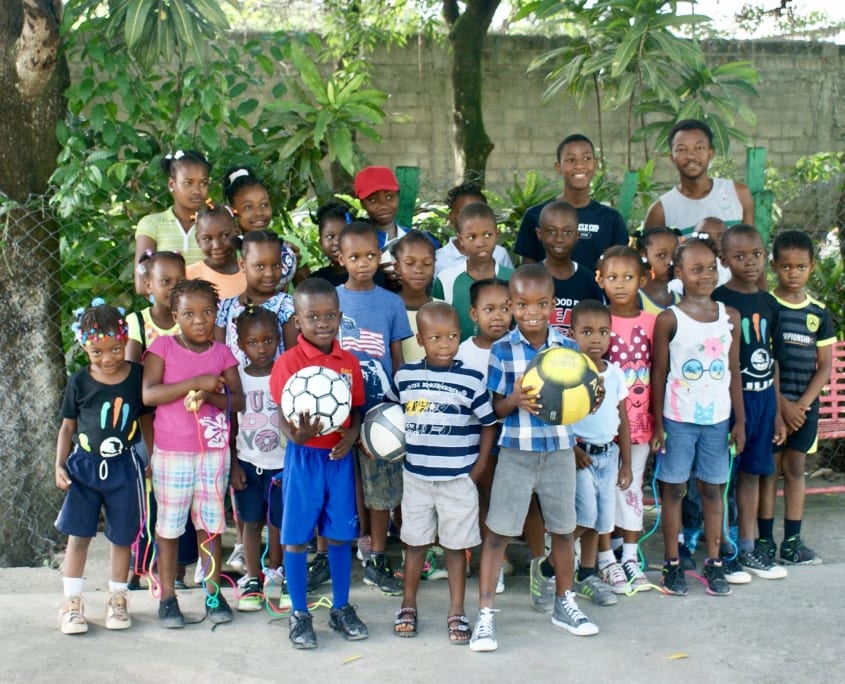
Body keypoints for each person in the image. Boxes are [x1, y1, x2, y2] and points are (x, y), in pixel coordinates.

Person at [470, 265, 599, 653]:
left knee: (563, 530)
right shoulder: (501, 349)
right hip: (516, 453)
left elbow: (579, 403)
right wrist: (514, 400)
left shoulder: (568, 349)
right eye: (522, 304)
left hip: (559, 452)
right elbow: (494, 409)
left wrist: (593, 400)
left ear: (553, 305)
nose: (532, 312)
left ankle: (564, 603)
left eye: (541, 304)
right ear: (511, 305)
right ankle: (485, 615)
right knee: (498, 533)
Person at [388, 302, 498, 643]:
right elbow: (388, 414)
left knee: (455, 547)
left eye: (451, 336)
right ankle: (408, 604)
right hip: (416, 478)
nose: (445, 344)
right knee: (414, 544)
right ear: (420, 339)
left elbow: (489, 424)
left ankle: (457, 611)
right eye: (435, 337)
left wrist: (477, 470)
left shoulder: (471, 379)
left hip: (457, 480)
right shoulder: (405, 376)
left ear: (459, 336)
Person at [269, 277, 368, 649]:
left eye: (329, 316)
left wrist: (352, 435)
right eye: (313, 317)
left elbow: (356, 410)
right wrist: (295, 436)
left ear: (340, 318)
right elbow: (282, 415)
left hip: (338, 459)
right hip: (304, 458)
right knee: (296, 537)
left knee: (340, 533)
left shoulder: (349, 363)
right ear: (298, 321)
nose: (322, 323)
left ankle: (340, 607)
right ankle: (299, 613)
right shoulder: (288, 363)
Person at [142, 278, 245, 628]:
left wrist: (210, 395)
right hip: (172, 453)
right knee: (169, 527)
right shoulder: (162, 347)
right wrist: (195, 383)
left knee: (211, 526)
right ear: (175, 316)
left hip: (213, 454)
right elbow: (149, 394)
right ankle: (168, 597)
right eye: (189, 314)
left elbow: (238, 401)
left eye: (207, 312)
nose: (199, 320)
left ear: (216, 314)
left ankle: (213, 593)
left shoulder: (222, 353)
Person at [651, 237, 744, 597]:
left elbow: (733, 371)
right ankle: (673, 562)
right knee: (674, 489)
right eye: (696, 269)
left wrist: (740, 421)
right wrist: (658, 424)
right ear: (679, 272)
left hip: (717, 421)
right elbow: (659, 373)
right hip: (678, 420)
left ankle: (715, 562)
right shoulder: (669, 319)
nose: (705, 275)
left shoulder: (729, 317)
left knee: (712, 489)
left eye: (710, 268)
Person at [56, 303, 152, 634]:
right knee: (79, 535)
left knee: (122, 536)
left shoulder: (137, 377)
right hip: (83, 468)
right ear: (84, 346)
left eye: (115, 349)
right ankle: (71, 604)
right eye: (97, 352)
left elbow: (146, 420)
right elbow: (67, 427)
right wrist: (59, 465)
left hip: (124, 467)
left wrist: (150, 457)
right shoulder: (79, 381)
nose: (108, 358)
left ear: (125, 340)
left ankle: (118, 598)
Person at [335, 221, 414, 595]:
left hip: (380, 413)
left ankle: (378, 557)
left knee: (380, 487)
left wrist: (400, 405)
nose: (363, 263)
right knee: (343, 483)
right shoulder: (332, 300)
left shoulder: (391, 302)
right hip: (337, 410)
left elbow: (397, 358)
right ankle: (335, 553)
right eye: (355, 257)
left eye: (370, 255)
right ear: (341, 259)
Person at [712, 224, 788, 581]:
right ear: (724, 259)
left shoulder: (769, 303)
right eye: (739, 256)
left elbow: (773, 360)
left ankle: (747, 547)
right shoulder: (717, 302)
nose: (750, 262)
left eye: (756, 254)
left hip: (763, 401)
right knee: (721, 480)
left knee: (752, 474)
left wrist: (777, 413)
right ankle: (723, 551)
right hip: (728, 404)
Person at [759, 230, 834, 565]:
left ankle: (792, 543)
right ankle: (763, 542)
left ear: (812, 267)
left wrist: (801, 406)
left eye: (800, 267)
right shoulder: (767, 307)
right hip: (772, 405)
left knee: (795, 468)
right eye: (786, 266)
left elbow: (825, 366)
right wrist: (783, 406)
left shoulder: (819, 312)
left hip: (804, 408)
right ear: (774, 266)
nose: (793, 273)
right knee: (768, 470)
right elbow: (764, 360)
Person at [125, 250, 199, 590]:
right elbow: (134, 377)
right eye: (164, 281)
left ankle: (179, 569)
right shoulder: (138, 322)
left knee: (181, 496)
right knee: (148, 496)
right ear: (148, 285)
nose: (172, 287)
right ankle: (139, 565)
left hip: (185, 420)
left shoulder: (190, 320)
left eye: (178, 281)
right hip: (147, 420)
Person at [596, 246, 654, 592]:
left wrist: (659, 422)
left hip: (640, 423)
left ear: (642, 280)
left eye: (628, 277)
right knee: (604, 489)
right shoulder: (597, 321)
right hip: (603, 426)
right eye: (613, 277)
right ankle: (606, 559)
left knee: (631, 487)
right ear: (600, 280)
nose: (620, 284)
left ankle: (630, 557)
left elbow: (659, 372)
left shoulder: (653, 323)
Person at [570, 299, 632, 607]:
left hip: (608, 456)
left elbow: (623, 420)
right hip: (580, 456)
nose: (596, 339)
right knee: (587, 515)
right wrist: (572, 449)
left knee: (600, 521)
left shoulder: (616, 374)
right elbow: (558, 418)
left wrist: (626, 464)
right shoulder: (570, 374)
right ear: (572, 334)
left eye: (603, 332)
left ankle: (587, 574)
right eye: (587, 332)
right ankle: (553, 564)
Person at [456, 278, 513, 592]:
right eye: (489, 309)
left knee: (510, 499)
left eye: (505, 308)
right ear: (473, 314)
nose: (498, 316)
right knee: (485, 496)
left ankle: (526, 558)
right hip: (477, 438)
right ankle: (494, 561)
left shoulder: (518, 346)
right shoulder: (463, 353)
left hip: (514, 437)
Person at [229, 306, 287, 611]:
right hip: (248, 463)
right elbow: (231, 425)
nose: (261, 348)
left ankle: (276, 572)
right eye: (253, 342)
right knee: (251, 522)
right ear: (241, 345)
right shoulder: (237, 378)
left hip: (282, 463)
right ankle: (252, 577)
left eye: (268, 340)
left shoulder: (285, 373)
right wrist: (233, 464)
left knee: (279, 522)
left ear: (278, 339)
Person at [514, 134, 628, 270]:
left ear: (595, 164)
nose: (579, 165)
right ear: (558, 167)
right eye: (570, 160)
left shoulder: (611, 219)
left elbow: (619, 269)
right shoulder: (536, 215)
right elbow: (527, 272)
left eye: (586, 158)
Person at [644, 119, 754, 236]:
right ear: (672, 158)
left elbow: (750, 242)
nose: (691, 155)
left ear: (710, 153)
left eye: (699, 148)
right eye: (681, 149)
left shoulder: (738, 194)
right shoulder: (661, 211)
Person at [215, 230, 298, 367]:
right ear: (242, 265)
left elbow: (292, 361)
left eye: (276, 265)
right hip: (235, 381)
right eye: (260, 266)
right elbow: (220, 359)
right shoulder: (225, 308)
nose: (269, 273)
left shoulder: (288, 307)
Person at [432, 202, 513, 341]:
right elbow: (436, 324)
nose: (480, 243)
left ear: (497, 235)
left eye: (487, 235)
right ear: (461, 240)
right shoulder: (446, 279)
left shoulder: (512, 278)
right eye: (472, 237)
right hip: (459, 354)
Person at [134, 150, 210, 294]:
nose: (196, 190)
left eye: (203, 183)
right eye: (188, 183)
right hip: (165, 306)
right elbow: (142, 284)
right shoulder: (152, 224)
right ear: (171, 184)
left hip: (208, 305)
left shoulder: (214, 225)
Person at [223, 166, 305, 290]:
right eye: (248, 207)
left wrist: (294, 267)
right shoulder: (231, 252)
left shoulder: (289, 246)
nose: (259, 213)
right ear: (232, 211)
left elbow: (308, 290)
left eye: (264, 204)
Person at [536, 200, 603, 337]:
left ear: (577, 235)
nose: (559, 239)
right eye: (551, 231)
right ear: (539, 233)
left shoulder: (588, 281)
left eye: (567, 232)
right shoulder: (531, 278)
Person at [435, 182, 513, 275]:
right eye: (463, 212)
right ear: (451, 217)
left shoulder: (499, 254)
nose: (472, 218)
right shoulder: (439, 259)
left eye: (478, 211)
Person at [186, 200, 245, 300]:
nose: (217, 245)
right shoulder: (189, 276)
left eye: (224, 235)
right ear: (198, 240)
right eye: (207, 239)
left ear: (237, 232)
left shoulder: (251, 270)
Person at [393, 230, 437, 364]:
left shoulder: (443, 309)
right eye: (409, 263)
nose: (418, 270)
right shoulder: (387, 308)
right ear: (397, 268)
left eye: (427, 263)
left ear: (434, 267)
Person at [635, 226, 681, 315]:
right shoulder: (635, 299)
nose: (670, 261)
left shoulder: (681, 296)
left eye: (675, 254)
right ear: (643, 255)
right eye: (661, 255)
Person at [310, 202, 355, 286]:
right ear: (321, 243)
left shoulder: (371, 274)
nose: (337, 242)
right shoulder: (316, 282)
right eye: (330, 237)